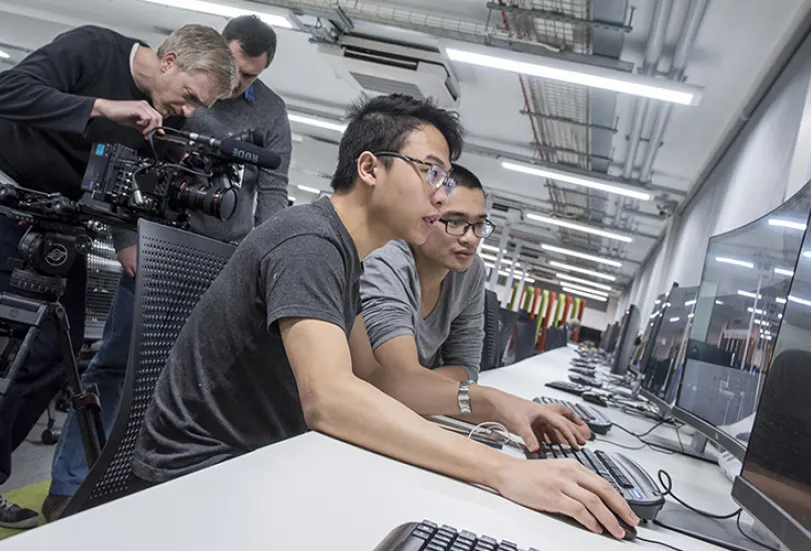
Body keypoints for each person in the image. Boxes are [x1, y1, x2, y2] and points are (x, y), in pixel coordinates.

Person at [132, 94, 639, 539]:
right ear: (371, 169)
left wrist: (495, 407)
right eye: (431, 172)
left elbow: (375, 381)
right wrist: (503, 471)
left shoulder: (344, 253)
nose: (441, 196)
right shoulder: (309, 243)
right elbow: (330, 398)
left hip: (264, 461)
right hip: (196, 482)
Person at [42, 16, 292, 521]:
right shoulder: (169, 91)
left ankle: (139, 485)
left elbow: (271, 188)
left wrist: (258, 257)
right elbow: (119, 159)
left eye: (248, 78)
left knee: (182, 380)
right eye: (233, 70)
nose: (234, 86)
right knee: (115, 366)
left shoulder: (271, 111)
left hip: (224, 261)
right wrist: (127, 238)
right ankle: (68, 486)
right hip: (156, 246)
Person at [0, 24, 236, 530]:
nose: (190, 110)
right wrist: (102, 107)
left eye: (202, 106)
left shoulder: (162, 126)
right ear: (168, 60)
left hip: (65, 229)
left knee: (49, 357)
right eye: (191, 96)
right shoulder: (93, 49)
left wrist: (131, 243)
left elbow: (127, 190)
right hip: (8, 202)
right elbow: (9, 91)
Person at [358, 165, 588, 450]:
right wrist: (491, 403)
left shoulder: (469, 270)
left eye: (479, 225)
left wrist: (425, 389)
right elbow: (402, 380)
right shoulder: (386, 262)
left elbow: (465, 369)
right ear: (425, 217)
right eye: (455, 222)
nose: (470, 238)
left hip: (398, 415)